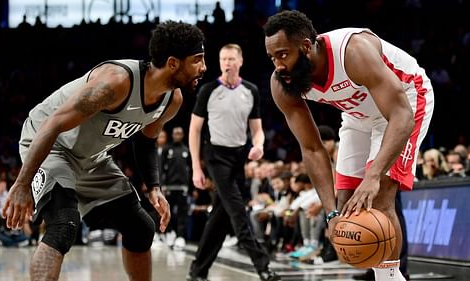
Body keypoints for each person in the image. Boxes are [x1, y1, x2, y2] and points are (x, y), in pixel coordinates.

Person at [1, 20, 206, 281]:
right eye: (198, 59)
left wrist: (154, 188)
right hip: (50, 144)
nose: (203, 67)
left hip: (90, 158)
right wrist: (21, 184)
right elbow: (52, 124)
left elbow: (144, 142)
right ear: (174, 63)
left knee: (141, 228)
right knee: (63, 225)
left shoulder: (171, 100)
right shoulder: (116, 82)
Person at [264, 10, 434, 281]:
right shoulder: (283, 84)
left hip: (407, 101)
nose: (278, 65)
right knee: (345, 205)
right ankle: (376, 269)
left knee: (379, 198)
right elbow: (311, 148)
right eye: (272, 57)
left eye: (283, 54)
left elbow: (401, 117)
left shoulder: (352, 51)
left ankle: (390, 277)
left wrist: (373, 176)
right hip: (358, 115)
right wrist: (331, 214)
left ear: (306, 46)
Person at [187, 43, 280, 281]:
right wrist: (197, 168)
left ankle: (198, 272)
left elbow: (257, 130)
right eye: (223, 59)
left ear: (240, 61)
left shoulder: (250, 91)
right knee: (238, 212)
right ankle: (263, 267)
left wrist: (258, 146)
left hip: (239, 157)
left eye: (231, 59)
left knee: (220, 217)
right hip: (215, 155)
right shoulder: (208, 90)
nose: (227, 63)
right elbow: (194, 130)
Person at [161, 126, 191, 249]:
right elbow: (161, 168)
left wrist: (191, 188)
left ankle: (180, 237)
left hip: (183, 187)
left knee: (182, 213)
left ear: (183, 135)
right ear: (172, 135)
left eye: (180, 133)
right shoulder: (167, 149)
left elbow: (191, 170)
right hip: (169, 186)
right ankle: (170, 233)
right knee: (168, 212)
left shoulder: (186, 150)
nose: (177, 135)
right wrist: (161, 185)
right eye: (175, 133)